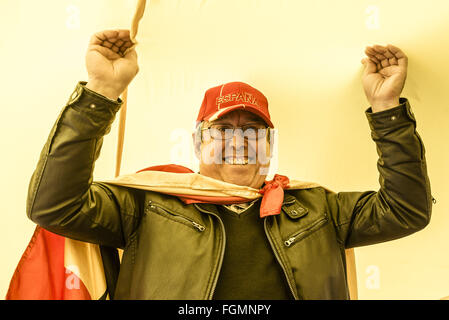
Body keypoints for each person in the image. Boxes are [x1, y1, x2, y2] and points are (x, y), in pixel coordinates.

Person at [26, 29, 432, 300]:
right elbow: (52, 204)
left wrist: (385, 107)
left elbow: (406, 210)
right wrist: (103, 90)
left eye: (254, 131)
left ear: (270, 146)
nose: (239, 142)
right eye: (223, 131)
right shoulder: (144, 206)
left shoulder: (321, 211)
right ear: (198, 142)